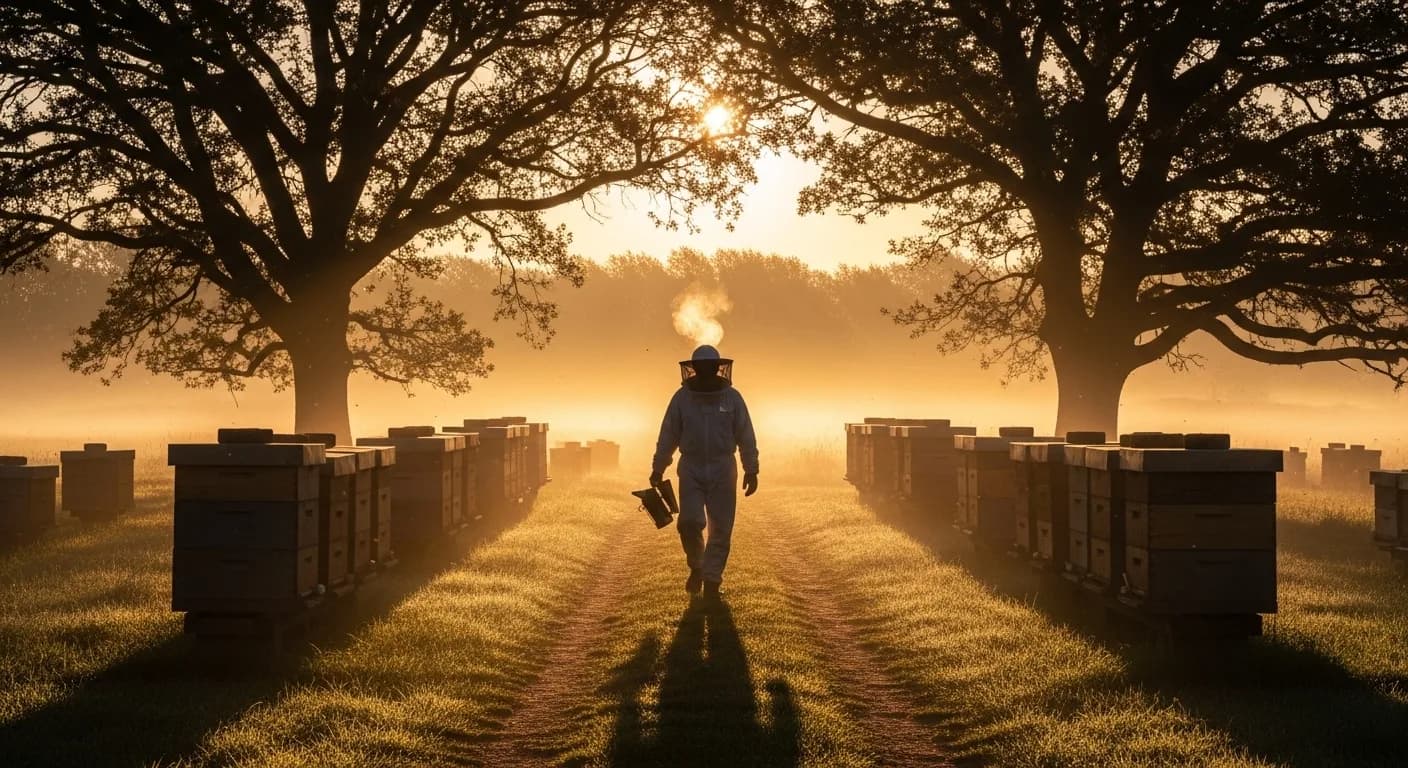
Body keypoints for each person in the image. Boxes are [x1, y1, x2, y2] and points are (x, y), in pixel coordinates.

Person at [651, 344, 759, 599]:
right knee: (689, 522)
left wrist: (751, 469)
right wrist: (658, 467)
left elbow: (746, 435)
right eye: (702, 369)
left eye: (711, 368)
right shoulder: (681, 399)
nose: (707, 373)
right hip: (691, 466)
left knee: (721, 528)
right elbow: (668, 435)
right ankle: (697, 567)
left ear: (717, 368)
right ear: (694, 369)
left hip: (724, 467)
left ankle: (712, 583)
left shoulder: (733, 398)